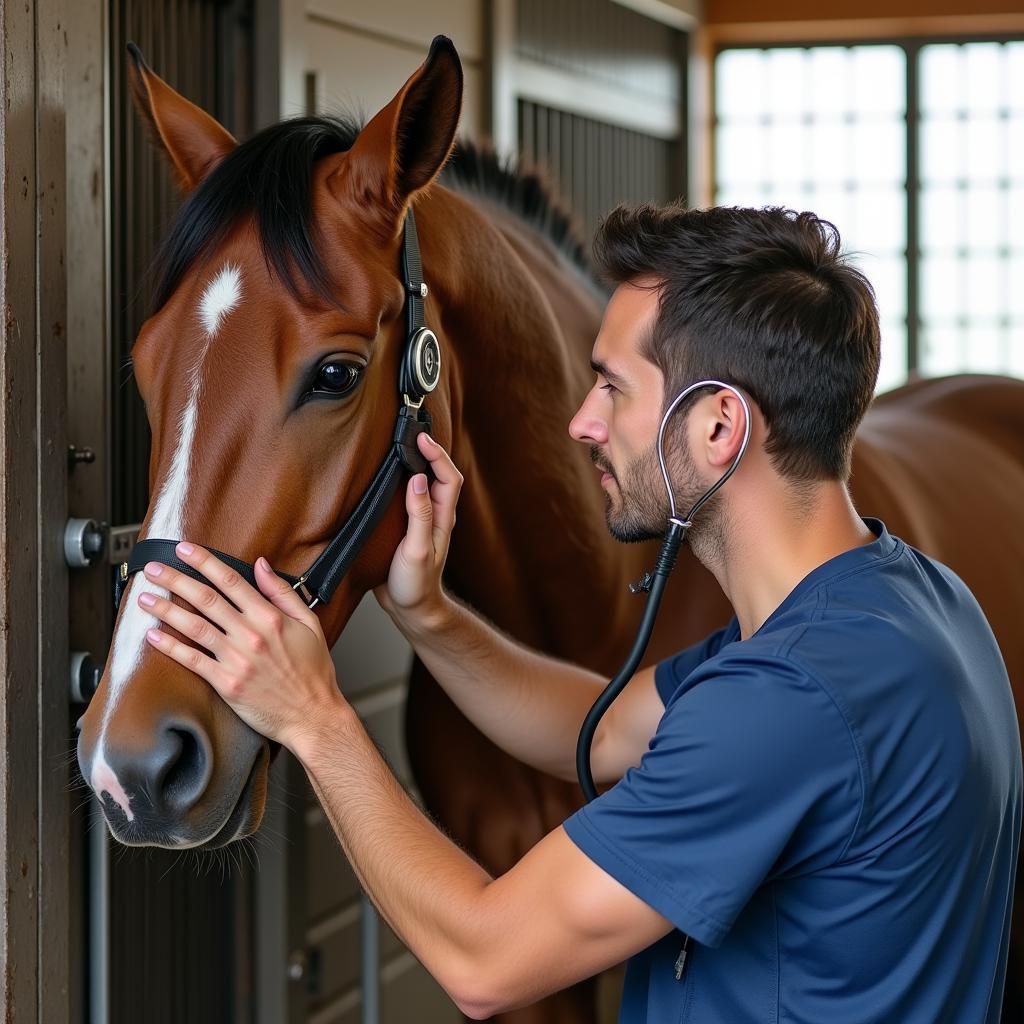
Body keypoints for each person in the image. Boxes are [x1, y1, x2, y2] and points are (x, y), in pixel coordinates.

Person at [138, 204, 1021, 1022]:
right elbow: (599, 734)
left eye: (614, 389)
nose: (582, 424)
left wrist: (315, 718)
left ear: (719, 428)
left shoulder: (792, 700)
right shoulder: (897, 600)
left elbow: (485, 962)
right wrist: (429, 615)